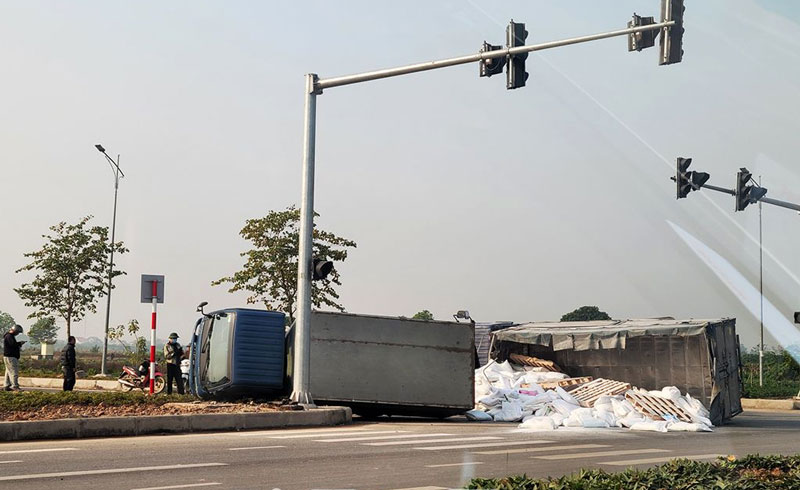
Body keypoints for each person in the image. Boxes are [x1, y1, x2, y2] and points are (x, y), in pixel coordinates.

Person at [3, 325, 25, 391]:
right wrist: (20, 343)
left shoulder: (9, 336)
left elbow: (14, 344)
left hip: (8, 356)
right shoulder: (9, 336)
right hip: (11, 356)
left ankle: (7, 385)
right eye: (18, 332)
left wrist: (20, 343)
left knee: (8, 371)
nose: (18, 334)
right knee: (13, 372)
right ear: (15, 331)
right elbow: (13, 345)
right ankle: (15, 386)